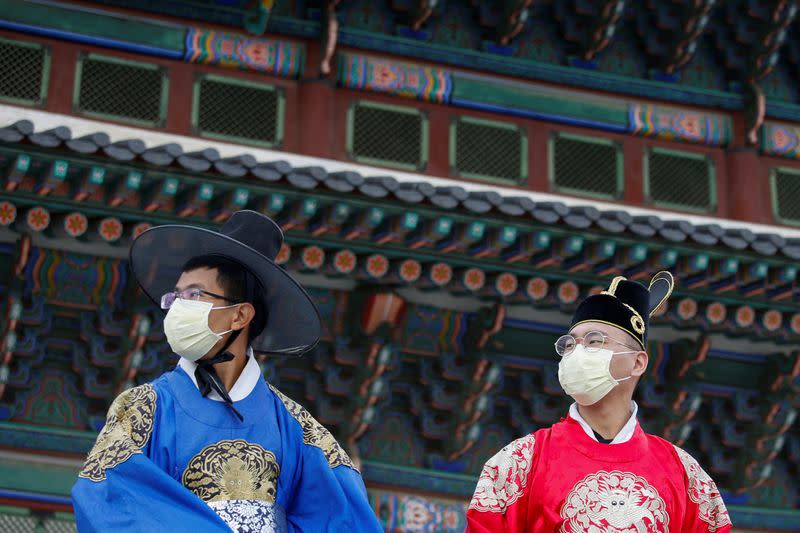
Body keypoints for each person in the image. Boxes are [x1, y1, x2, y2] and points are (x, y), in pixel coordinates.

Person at [71, 210, 383, 532]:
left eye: (194, 294)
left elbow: (345, 520)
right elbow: (107, 501)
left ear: (240, 316)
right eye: (175, 296)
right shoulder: (141, 410)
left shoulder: (299, 430)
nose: (179, 306)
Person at [466, 272, 731, 532]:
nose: (577, 353)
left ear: (637, 362)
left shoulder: (685, 476)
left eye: (594, 341)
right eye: (569, 345)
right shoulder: (519, 463)